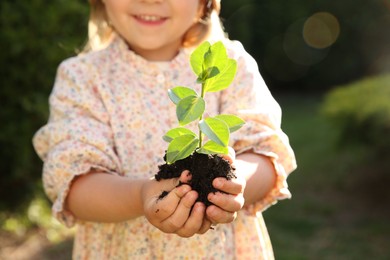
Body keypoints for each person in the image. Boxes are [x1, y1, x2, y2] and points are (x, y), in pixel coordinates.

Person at [33, 0, 297, 258]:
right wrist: (142, 195)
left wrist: (233, 183)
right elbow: (74, 185)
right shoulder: (82, 77)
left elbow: (265, 154)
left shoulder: (228, 64)